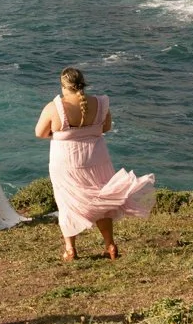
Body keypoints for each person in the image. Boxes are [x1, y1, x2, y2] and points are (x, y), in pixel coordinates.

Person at [35, 67, 155, 262]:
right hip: (97, 158)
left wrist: (62, 135)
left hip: (67, 162)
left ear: (64, 85)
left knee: (67, 203)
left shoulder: (55, 106)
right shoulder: (100, 103)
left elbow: (40, 133)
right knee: (102, 200)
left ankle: (70, 249)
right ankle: (110, 245)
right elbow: (105, 127)